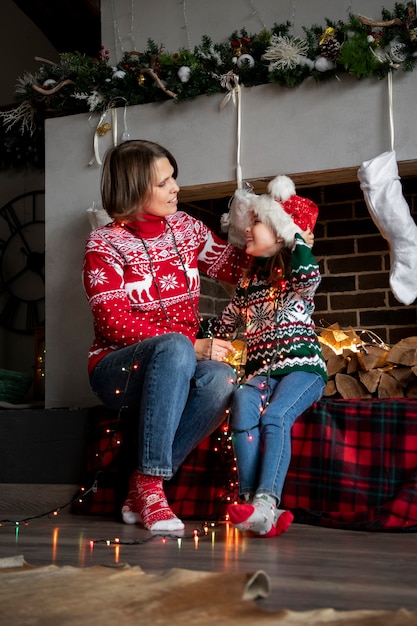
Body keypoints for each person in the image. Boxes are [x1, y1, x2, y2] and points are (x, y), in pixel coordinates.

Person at [82, 139, 249, 533]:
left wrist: (279, 240)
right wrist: (191, 345)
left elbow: (234, 267)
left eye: (174, 177)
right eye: (164, 182)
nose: (176, 187)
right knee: (176, 344)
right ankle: (155, 490)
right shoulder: (103, 243)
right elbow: (112, 322)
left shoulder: (187, 228)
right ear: (135, 188)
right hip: (117, 370)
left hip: (178, 362)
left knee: (221, 379)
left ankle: (144, 483)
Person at [208, 175, 327, 538]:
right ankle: (249, 502)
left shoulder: (296, 275)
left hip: (303, 369)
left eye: (257, 221)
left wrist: (296, 236)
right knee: (242, 403)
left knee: (275, 416)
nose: (247, 226)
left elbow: (309, 276)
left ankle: (266, 502)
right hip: (263, 372)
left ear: (279, 231)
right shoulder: (248, 283)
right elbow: (226, 323)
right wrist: (192, 341)